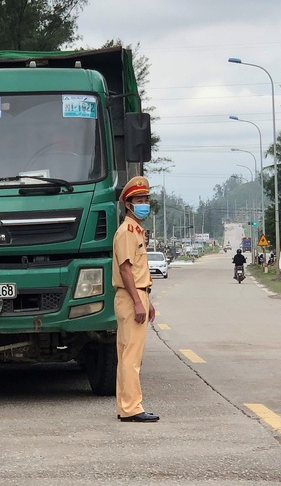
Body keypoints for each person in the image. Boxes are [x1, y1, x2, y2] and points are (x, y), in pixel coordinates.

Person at [112, 176, 158, 423]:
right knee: (132, 357)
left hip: (137, 294)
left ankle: (125, 406)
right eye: (139, 200)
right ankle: (132, 408)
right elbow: (126, 269)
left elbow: (140, 271)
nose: (144, 204)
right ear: (128, 205)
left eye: (146, 200)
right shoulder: (127, 232)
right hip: (132, 297)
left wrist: (148, 301)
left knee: (126, 355)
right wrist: (139, 302)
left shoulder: (135, 230)